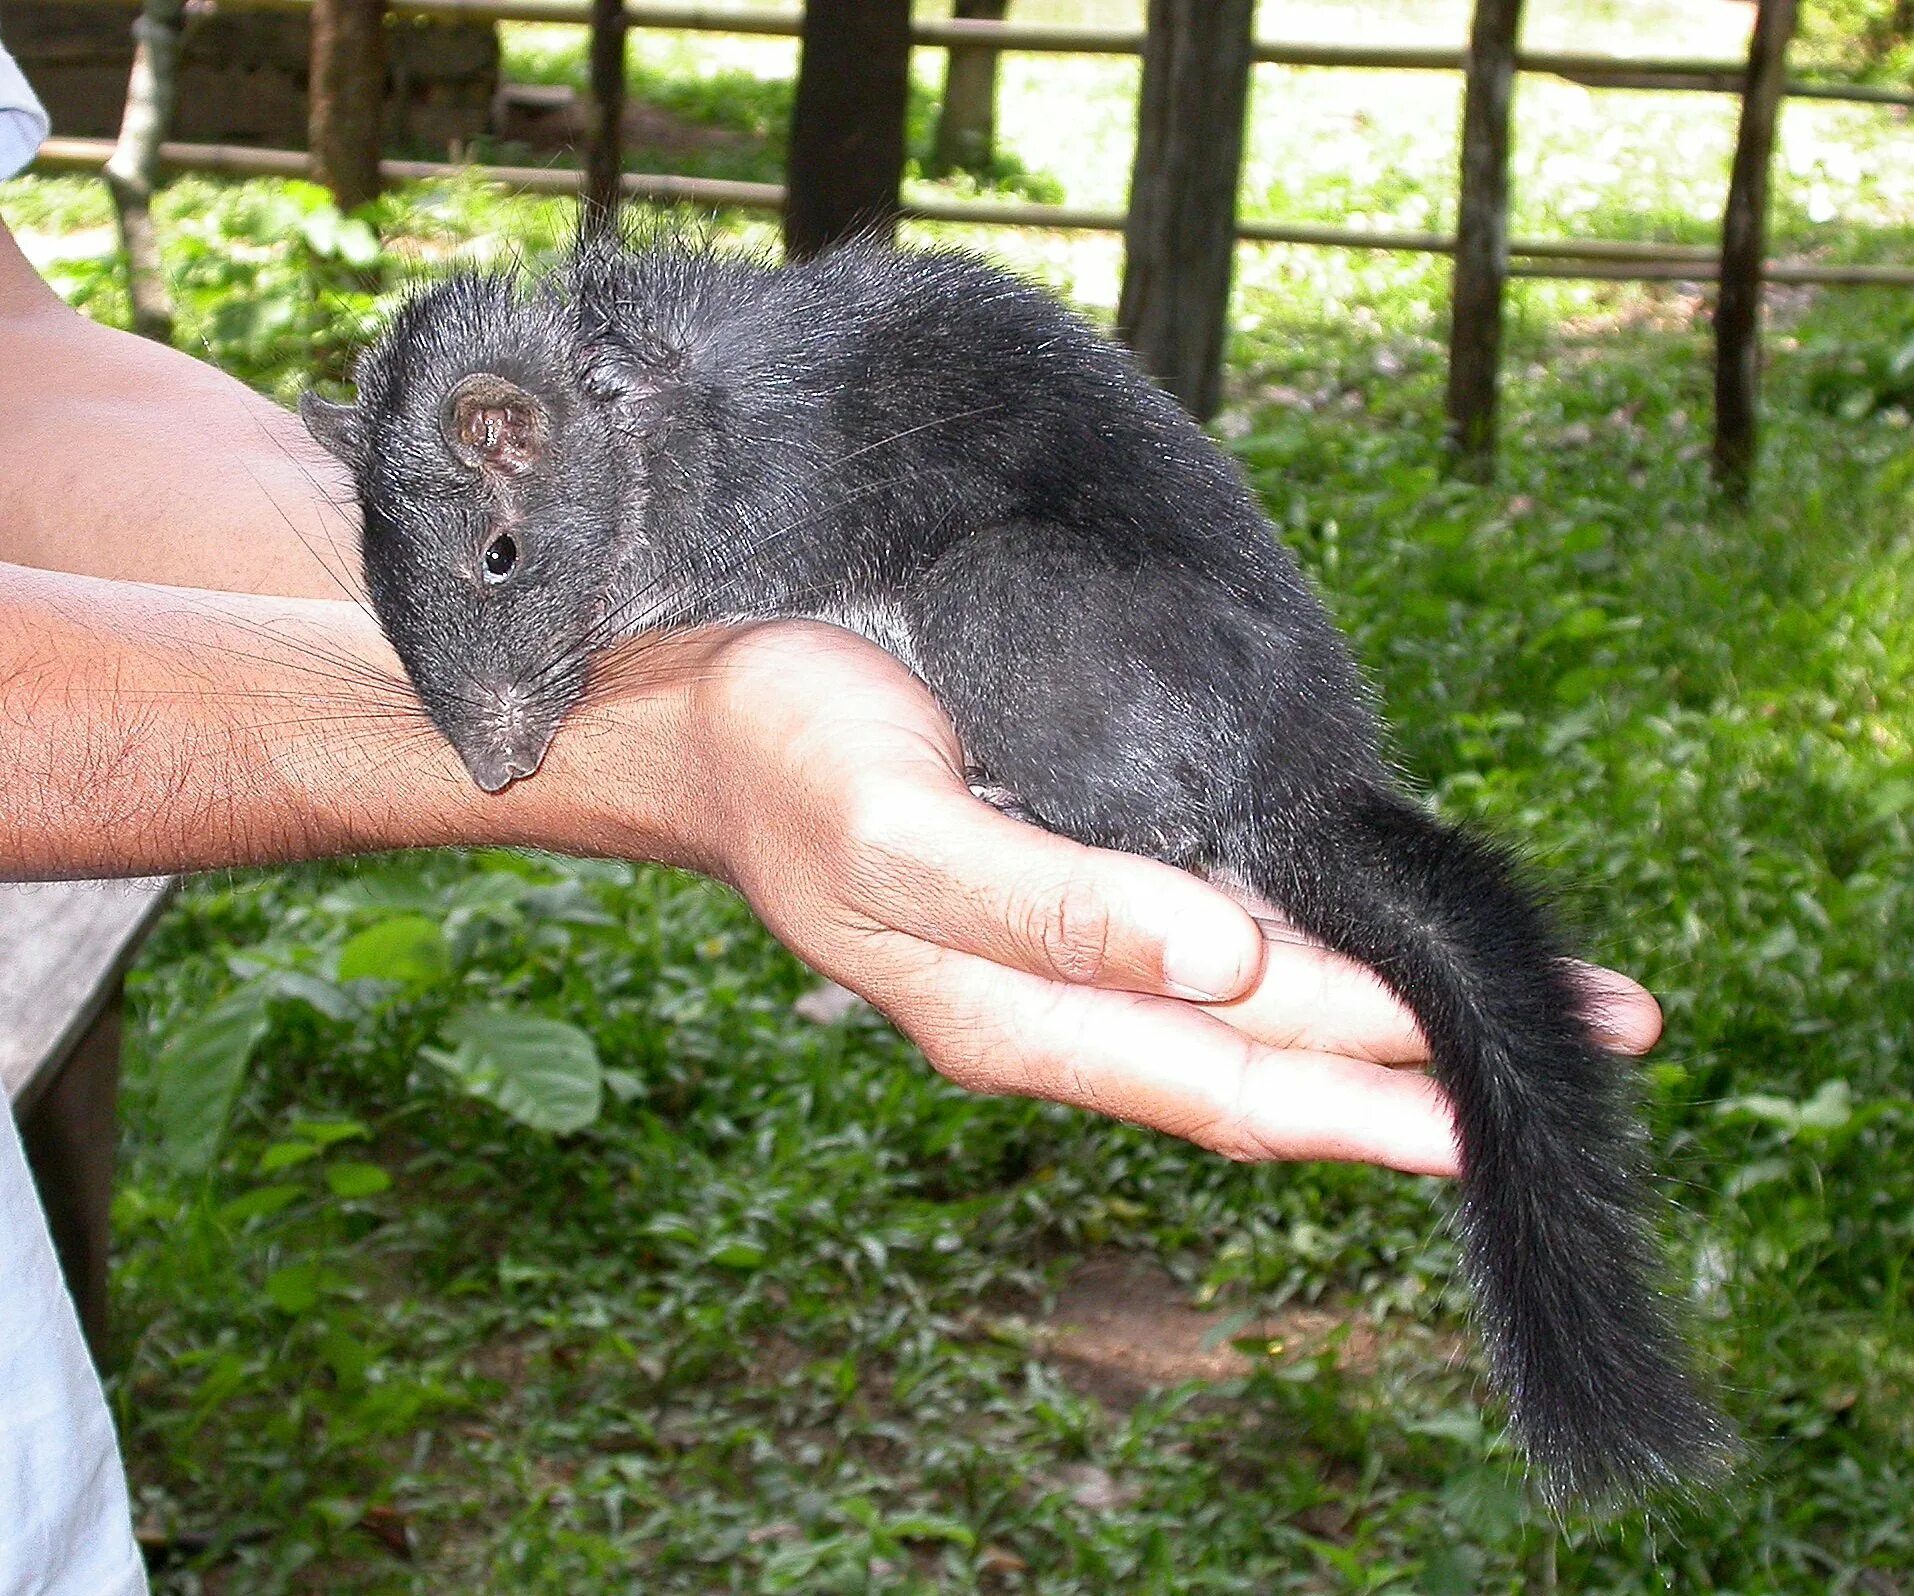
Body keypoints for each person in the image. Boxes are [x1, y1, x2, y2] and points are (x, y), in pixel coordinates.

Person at [0, 38, 1660, 1593]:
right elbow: (578, 627)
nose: (495, 750)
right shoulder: (609, 448)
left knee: (1002, 626)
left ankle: (1142, 821)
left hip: (1146, 671)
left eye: (505, 575)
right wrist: (644, 738)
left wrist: (704, 710)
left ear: (511, 438)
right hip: (1128, 652)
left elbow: (27, 368)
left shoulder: (733, 435)